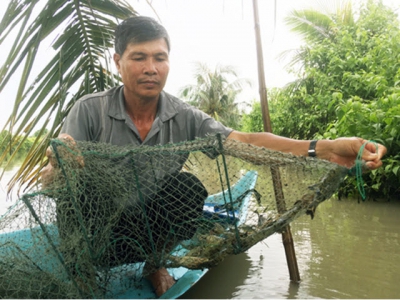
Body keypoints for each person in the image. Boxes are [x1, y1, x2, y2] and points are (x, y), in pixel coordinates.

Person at [41, 16, 387, 297]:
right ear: (118, 62)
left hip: (142, 226)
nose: (151, 68)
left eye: (160, 58)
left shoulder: (184, 115)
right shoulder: (89, 111)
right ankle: (82, 271)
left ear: (168, 62)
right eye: (139, 57)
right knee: (81, 189)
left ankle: (155, 262)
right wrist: (59, 166)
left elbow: (247, 140)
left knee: (188, 189)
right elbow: (53, 180)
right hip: (98, 233)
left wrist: (326, 147)